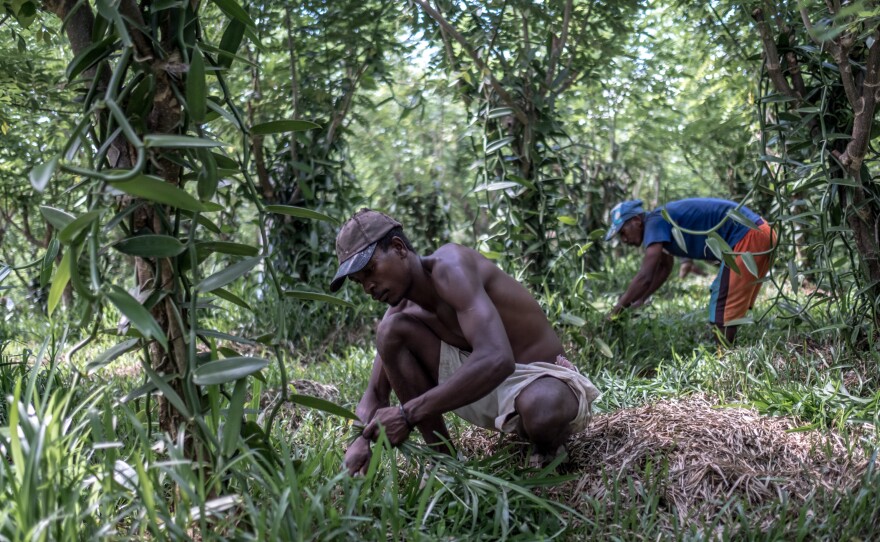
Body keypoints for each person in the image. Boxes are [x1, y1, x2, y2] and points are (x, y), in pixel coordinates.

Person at [331, 209, 601, 474]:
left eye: (370, 270)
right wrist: (361, 439)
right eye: (359, 282)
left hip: (539, 377)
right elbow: (375, 395)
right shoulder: (400, 315)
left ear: (399, 248)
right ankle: (444, 462)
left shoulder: (451, 266)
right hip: (481, 387)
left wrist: (406, 415)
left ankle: (546, 447)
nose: (368, 287)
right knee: (389, 332)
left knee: (541, 412)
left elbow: (498, 358)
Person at [605, 198, 776, 344]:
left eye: (623, 232)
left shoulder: (655, 221)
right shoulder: (659, 221)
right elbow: (665, 266)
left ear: (636, 220)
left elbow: (645, 276)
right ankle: (727, 355)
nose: (624, 239)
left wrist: (616, 310)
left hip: (750, 235)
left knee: (722, 303)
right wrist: (640, 298)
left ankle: (725, 361)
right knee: (725, 300)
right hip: (760, 232)